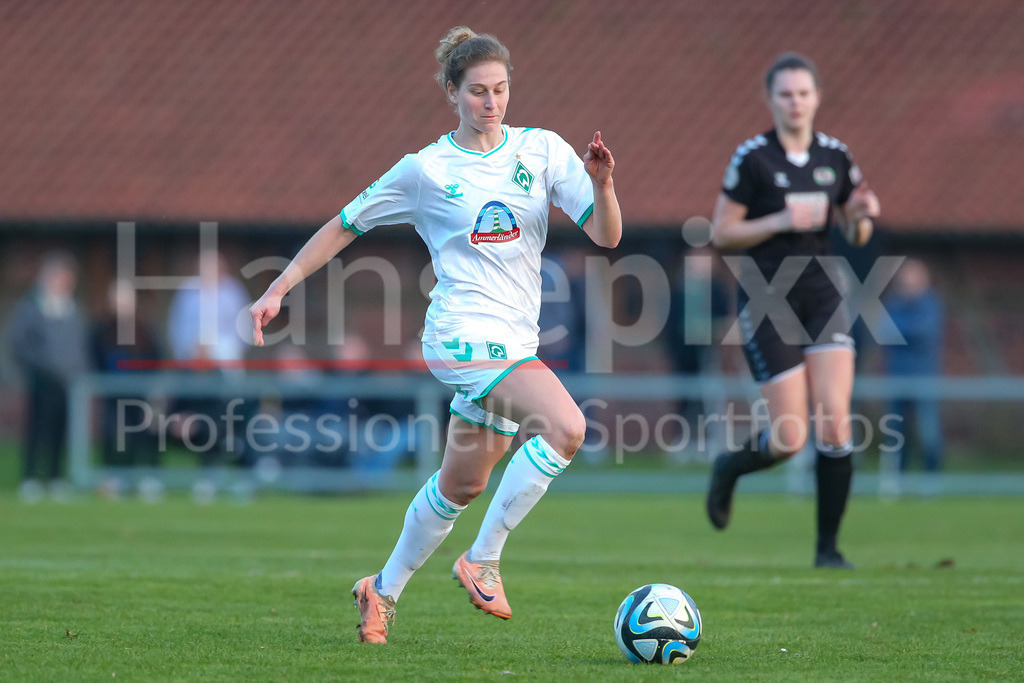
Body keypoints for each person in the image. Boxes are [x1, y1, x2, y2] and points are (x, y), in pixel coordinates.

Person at [249, 27, 621, 643]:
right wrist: (278, 287)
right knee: (568, 426)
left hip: (514, 343)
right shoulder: (426, 169)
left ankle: (382, 590)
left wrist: (604, 184)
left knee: (463, 485)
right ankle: (484, 558)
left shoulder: (544, 151)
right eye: (477, 91)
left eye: (501, 89)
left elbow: (607, 237)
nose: (492, 102)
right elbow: (345, 224)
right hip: (460, 336)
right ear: (453, 93)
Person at [705, 53, 880, 568]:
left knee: (835, 424)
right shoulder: (754, 157)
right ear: (771, 99)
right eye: (785, 94)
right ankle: (730, 468)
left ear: (816, 97)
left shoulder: (836, 155)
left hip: (822, 293)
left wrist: (864, 216)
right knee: (790, 437)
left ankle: (828, 550)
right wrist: (782, 217)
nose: (795, 102)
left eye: (803, 93)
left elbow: (855, 228)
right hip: (767, 297)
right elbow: (722, 232)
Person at [6, 252, 90, 500]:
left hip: (68, 382)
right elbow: (19, 344)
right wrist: (44, 366)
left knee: (61, 432)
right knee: (37, 430)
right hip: (42, 380)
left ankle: (55, 478)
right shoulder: (31, 307)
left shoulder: (73, 308)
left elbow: (79, 347)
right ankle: (30, 478)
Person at [881, 258, 944, 489]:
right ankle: (897, 480)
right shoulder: (893, 305)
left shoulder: (931, 305)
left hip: (924, 378)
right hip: (896, 378)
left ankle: (931, 481)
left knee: (929, 432)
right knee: (896, 432)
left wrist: (900, 332)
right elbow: (884, 332)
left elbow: (924, 331)